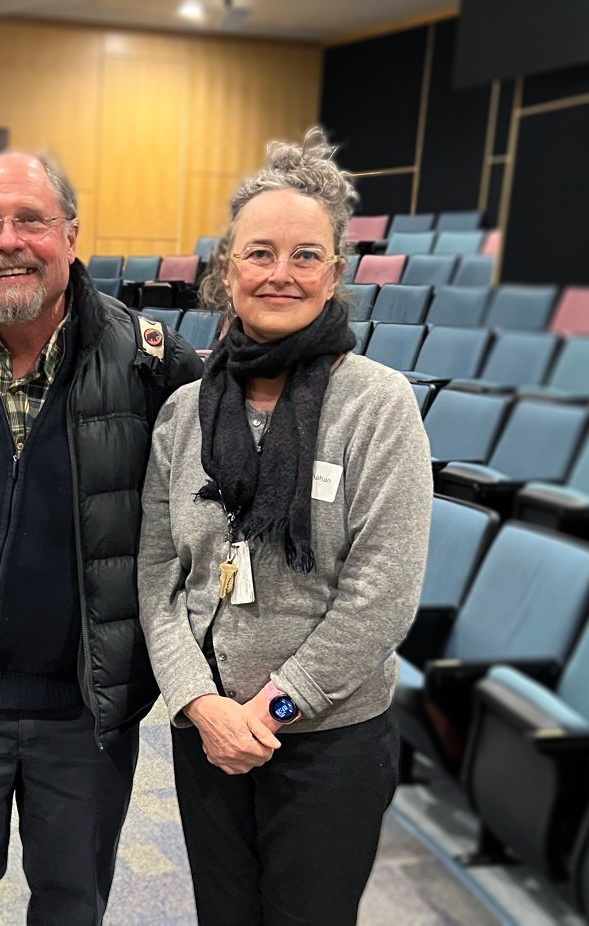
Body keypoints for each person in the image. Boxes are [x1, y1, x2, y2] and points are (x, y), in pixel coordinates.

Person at [0, 151, 202, 925]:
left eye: (30, 219)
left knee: (70, 906)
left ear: (72, 234)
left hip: (83, 710)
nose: (8, 241)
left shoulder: (154, 366)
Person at [137, 130, 433, 926]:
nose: (280, 274)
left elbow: (385, 591)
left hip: (329, 739)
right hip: (210, 734)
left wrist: (272, 709)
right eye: (260, 253)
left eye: (306, 256)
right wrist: (201, 704)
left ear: (336, 275)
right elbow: (159, 578)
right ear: (227, 270)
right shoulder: (182, 411)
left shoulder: (379, 404)